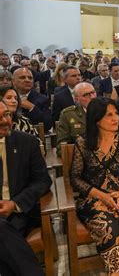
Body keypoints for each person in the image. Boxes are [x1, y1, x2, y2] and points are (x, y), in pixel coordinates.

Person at [70, 97, 119, 275]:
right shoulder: (83, 143)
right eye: (109, 115)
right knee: (112, 233)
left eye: (116, 114)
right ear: (96, 120)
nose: (116, 119)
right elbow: (75, 178)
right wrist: (102, 196)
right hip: (94, 199)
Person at [0, 101, 52, 275]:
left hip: (18, 213)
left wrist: (14, 204)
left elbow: (43, 181)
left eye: (7, 114)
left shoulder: (26, 142)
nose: (5, 121)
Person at [56, 82, 96, 156]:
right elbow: (61, 147)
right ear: (77, 100)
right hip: (81, 158)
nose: (92, 97)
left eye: (93, 92)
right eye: (86, 95)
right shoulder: (68, 115)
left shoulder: (106, 111)